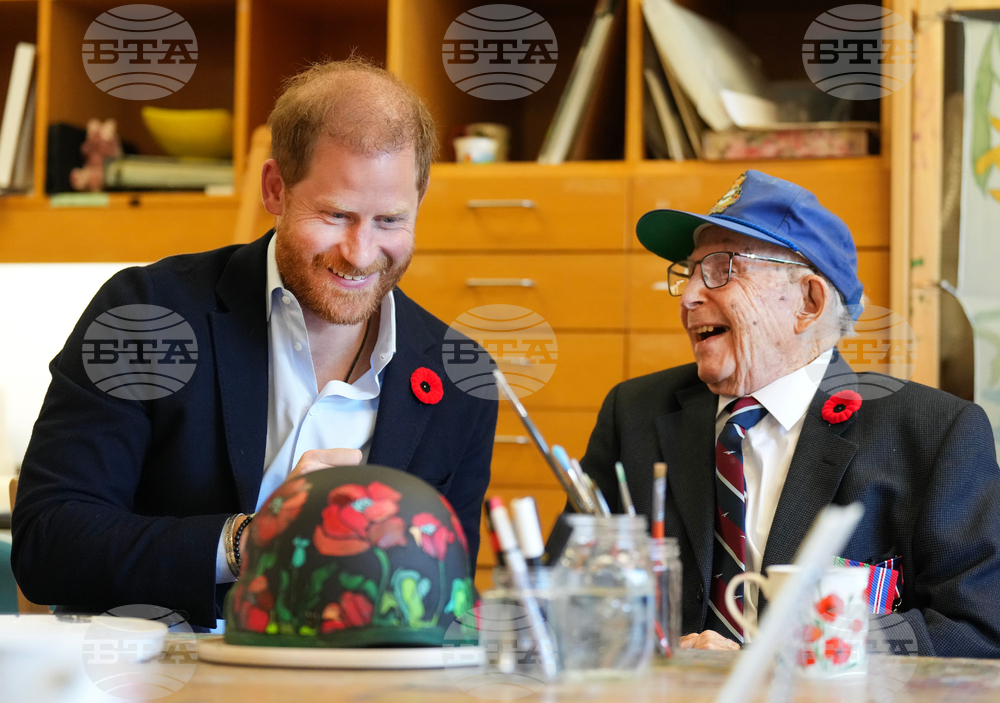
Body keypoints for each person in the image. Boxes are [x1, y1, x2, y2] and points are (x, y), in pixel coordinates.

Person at [11, 58, 497, 628]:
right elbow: (49, 542)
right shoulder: (145, 315)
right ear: (275, 188)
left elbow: (446, 596)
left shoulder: (459, 375)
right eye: (336, 214)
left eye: (390, 220)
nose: (362, 253)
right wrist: (248, 541)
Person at [579, 170, 1000, 657]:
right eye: (688, 272)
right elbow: (563, 587)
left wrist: (786, 659)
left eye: (719, 269)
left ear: (808, 300)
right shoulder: (633, 413)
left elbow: (976, 631)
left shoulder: (933, 432)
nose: (690, 295)